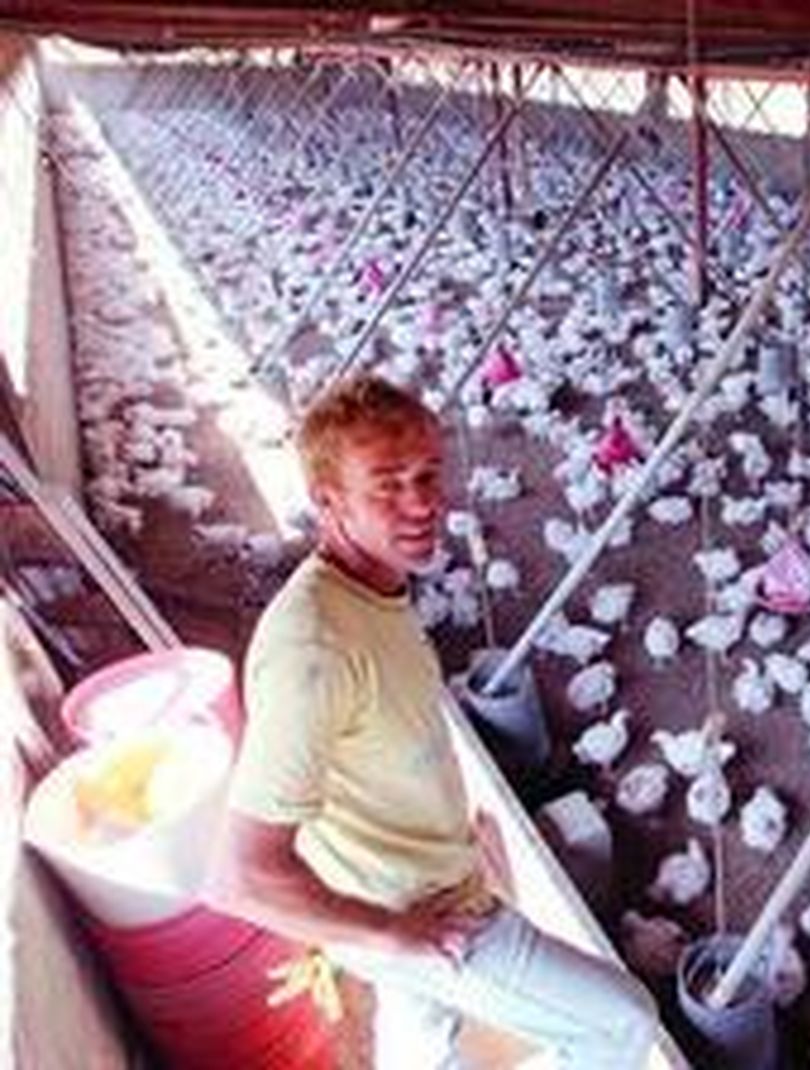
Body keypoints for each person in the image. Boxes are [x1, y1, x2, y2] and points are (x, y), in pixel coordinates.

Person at [206, 375, 657, 1069]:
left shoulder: (372, 589)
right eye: (386, 485)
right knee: (622, 1022)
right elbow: (240, 878)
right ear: (329, 502)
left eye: (427, 475)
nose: (421, 503)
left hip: (407, 886)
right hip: (427, 913)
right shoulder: (313, 651)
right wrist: (392, 934)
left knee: (421, 1038)